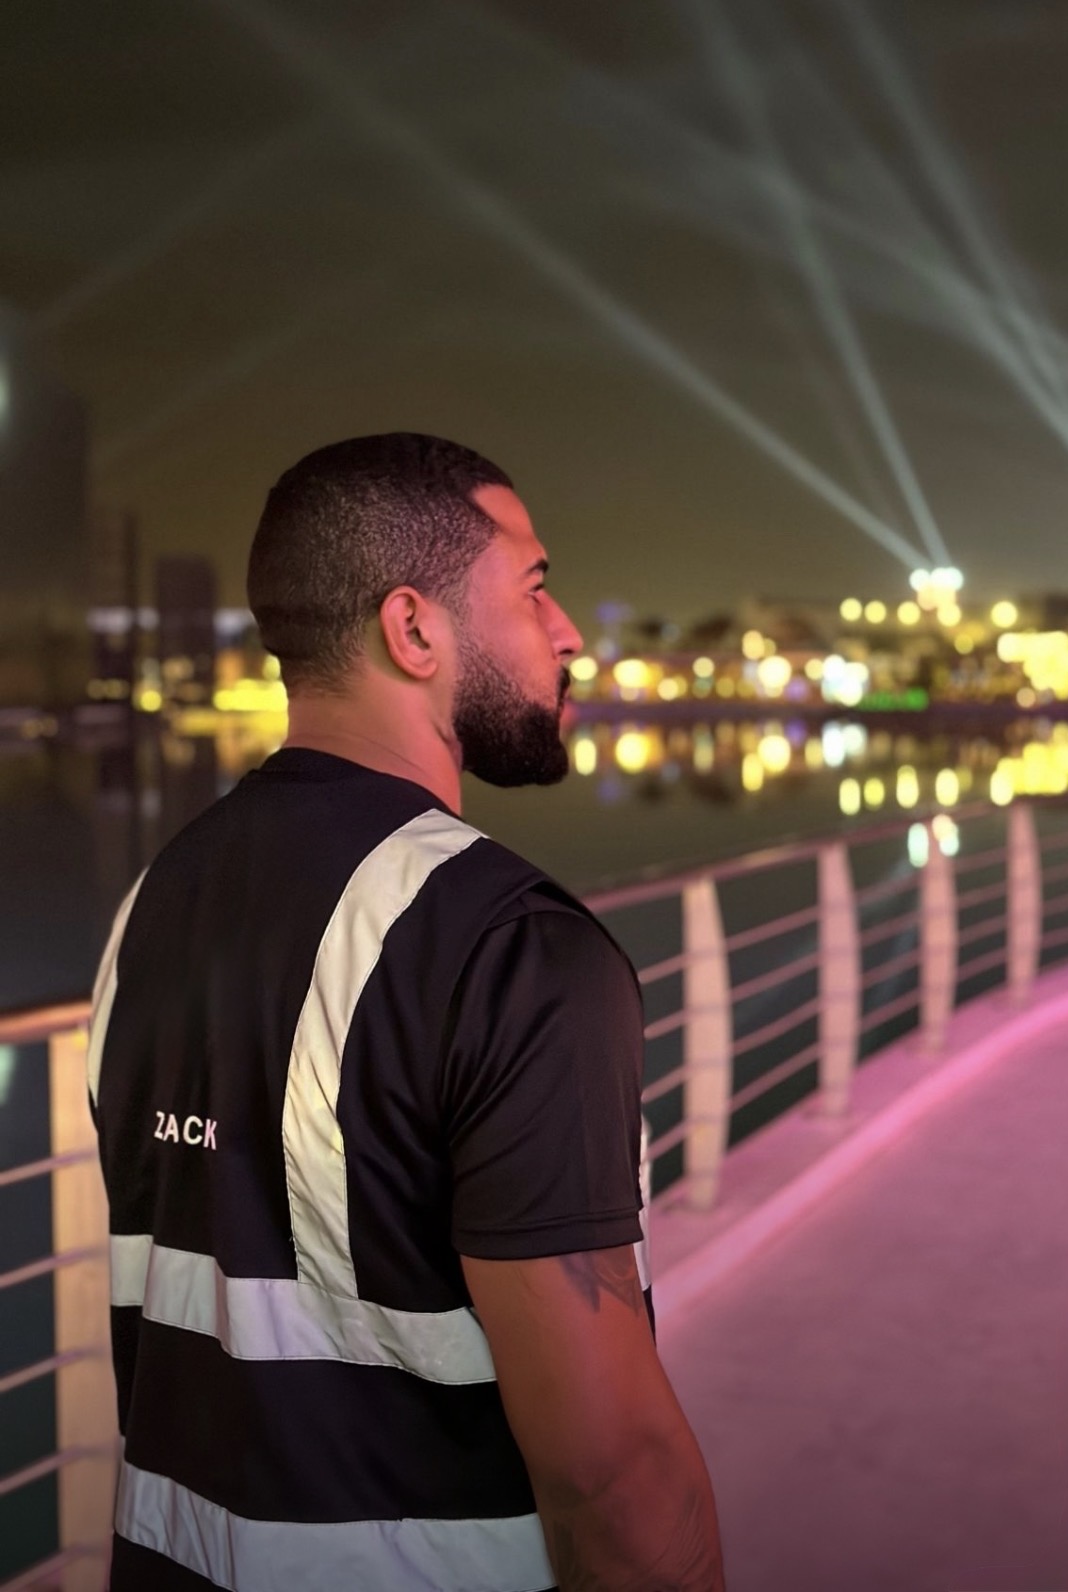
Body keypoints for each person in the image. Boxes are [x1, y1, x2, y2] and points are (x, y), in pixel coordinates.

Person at [89, 433, 725, 1592]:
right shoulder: (506, 947)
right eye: (535, 588)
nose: (571, 631)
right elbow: (614, 1475)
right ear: (414, 628)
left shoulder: (150, 908)